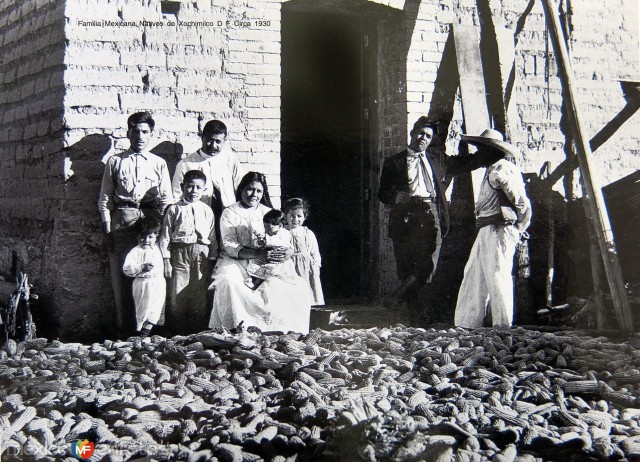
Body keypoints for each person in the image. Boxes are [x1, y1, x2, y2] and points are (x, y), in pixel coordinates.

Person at [377, 116, 487, 324]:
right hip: (404, 216)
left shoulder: (437, 158)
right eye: (420, 133)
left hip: (430, 212)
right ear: (412, 133)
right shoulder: (393, 162)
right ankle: (416, 318)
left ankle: (396, 296)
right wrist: (395, 196)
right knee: (406, 266)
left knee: (428, 263)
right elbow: (382, 194)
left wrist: (489, 154)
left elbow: (464, 163)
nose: (423, 138)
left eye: (428, 136)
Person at [208, 172, 312, 334]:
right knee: (228, 281)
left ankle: (277, 330)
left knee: (292, 286)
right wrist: (256, 254)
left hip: (265, 262)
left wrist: (288, 252)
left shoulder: (269, 212)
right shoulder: (230, 212)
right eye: (250, 189)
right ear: (241, 189)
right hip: (236, 260)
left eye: (259, 191)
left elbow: (285, 236)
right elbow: (229, 245)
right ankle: (235, 328)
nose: (254, 195)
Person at [98, 111, 172, 333]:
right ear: (128, 132)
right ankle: (126, 332)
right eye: (136, 131)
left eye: (145, 132)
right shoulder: (115, 161)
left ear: (151, 134)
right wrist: (108, 230)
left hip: (150, 223)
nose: (140, 136)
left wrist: (161, 230)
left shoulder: (158, 163)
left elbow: (166, 199)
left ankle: (148, 331)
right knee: (123, 277)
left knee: (151, 278)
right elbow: (104, 199)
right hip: (123, 221)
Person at [454, 129, 532, 328]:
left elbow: (523, 205)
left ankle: (502, 325)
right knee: (474, 273)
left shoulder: (504, 170)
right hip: (486, 228)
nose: (478, 154)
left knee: (498, 275)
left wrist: (518, 229)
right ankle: (468, 323)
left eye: (482, 149)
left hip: (500, 228)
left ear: (493, 151)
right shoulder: (490, 170)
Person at [159, 169, 217, 335]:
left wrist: (213, 258)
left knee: (199, 292)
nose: (194, 191)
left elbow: (212, 236)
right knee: (178, 291)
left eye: (198, 187)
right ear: (182, 186)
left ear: (204, 189)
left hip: (201, 254)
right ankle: (178, 333)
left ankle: (197, 332)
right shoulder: (174, 209)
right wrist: (166, 259)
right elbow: (165, 236)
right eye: (190, 186)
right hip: (179, 253)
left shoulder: (206, 210)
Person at [171, 120, 245, 229]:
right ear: (202, 137)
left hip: (227, 216)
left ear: (225, 140)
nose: (213, 145)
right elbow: (176, 195)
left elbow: (241, 187)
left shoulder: (230, 159)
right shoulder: (186, 164)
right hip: (198, 218)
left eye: (218, 141)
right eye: (210, 140)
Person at [122, 218, 165, 337]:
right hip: (143, 284)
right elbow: (127, 268)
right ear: (137, 236)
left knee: (156, 309)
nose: (146, 240)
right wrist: (141, 267)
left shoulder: (157, 248)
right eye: (142, 237)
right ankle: (140, 334)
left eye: (150, 237)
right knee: (143, 309)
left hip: (158, 283)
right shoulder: (136, 251)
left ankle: (146, 334)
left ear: (156, 237)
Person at [283, 197, 325, 306]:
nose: (295, 219)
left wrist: (316, 267)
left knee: (308, 293)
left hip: (306, 269)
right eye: (292, 216)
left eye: (299, 216)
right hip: (289, 268)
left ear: (304, 217)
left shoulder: (308, 233)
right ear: (285, 216)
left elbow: (315, 252)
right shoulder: (283, 232)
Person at [244, 209, 296, 290]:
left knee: (271, 269)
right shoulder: (268, 234)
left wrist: (266, 241)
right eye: (265, 227)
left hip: (279, 260)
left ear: (280, 225)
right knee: (258, 265)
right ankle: (255, 280)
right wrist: (260, 242)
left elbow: (281, 242)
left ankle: (256, 283)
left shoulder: (284, 233)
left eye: (269, 228)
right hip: (269, 258)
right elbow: (257, 245)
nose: (267, 230)